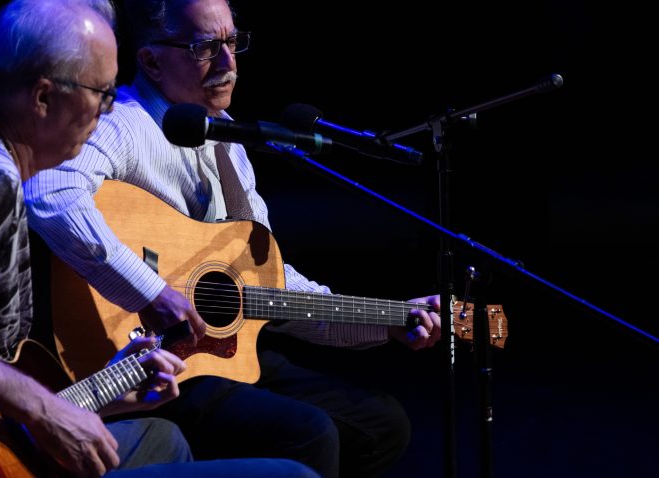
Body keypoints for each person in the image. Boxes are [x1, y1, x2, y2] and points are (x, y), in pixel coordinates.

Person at [24, 0, 442, 476]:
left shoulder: (229, 141)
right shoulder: (125, 123)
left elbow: (272, 287)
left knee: (381, 424)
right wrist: (150, 290)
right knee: (307, 432)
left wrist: (387, 323)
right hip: (150, 361)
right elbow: (47, 190)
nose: (227, 63)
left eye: (231, 42)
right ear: (151, 61)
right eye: (204, 47)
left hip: (222, 355)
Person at [0, 1, 320, 477]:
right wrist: (44, 411)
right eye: (100, 92)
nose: (107, 111)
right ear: (43, 99)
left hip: (4, 437)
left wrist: (108, 388)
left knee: (165, 438)